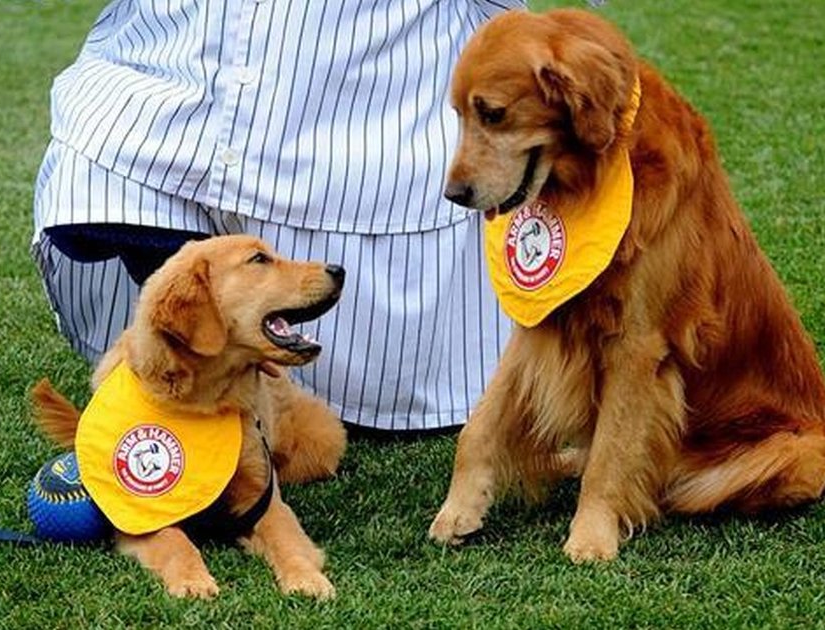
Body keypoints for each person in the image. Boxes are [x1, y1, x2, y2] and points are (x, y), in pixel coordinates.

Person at [32, 0, 525, 432]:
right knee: (109, 170)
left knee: (368, 390)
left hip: (359, 114)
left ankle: (241, 380)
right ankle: (192, 362)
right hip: (170, 71)